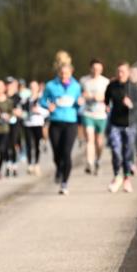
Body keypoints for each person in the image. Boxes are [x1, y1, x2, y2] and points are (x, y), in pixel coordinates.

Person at [41, 51, 83, 195]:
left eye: (67, 73)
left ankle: (64, 183)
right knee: (57, 154)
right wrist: (49, 105)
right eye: (62, 73)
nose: (64, 76)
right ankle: (59, 168)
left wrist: (79, 103)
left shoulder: (76, 86)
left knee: (66, 153)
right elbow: (43, 100)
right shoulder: (51, 85)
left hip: (71, 123)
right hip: (56, 122)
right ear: (58, 72)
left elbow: (80, 104)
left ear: (71, 72)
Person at [104, 62, 137, 193]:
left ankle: (127, 179)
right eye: (118, 72)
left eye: (123, 72)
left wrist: (131, 104)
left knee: (127, 153)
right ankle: (117, 176)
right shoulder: (112, 86)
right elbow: (107, 98)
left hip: (130, 124)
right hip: (115, 123)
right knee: (115, 150)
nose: (120, 74)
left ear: (128, 73)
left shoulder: (133, 87)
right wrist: (107, 105)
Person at [79, 58, 110, 176]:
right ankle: (89, 162)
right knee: (89, 139)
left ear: (101, 69)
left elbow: (109, 97)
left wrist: (101, 98)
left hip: (101, 114)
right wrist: (84, 96)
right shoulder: (84, 80)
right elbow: (80, 94)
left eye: (98, 68)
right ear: (90, 68)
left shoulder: (106, 82)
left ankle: (98, 160)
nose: (96, 71)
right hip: (88, 113)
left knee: (99, 141)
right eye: (94, 68)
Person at [22, 80, 47, 175]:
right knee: (28, 144)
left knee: (37, 145)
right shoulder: (26, 99)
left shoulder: (42, 99)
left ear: (38, 88)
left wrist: (39, 110)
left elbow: (47, 111)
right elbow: (22, 110)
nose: (33, 89)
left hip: (38, 124)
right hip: (28, 124)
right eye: (31, 87)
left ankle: (36, 163)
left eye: (34, 87)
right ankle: (29, 164)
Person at [0, 79, 14, 178]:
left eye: (0, 87)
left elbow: (11, 113)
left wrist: (7, 116)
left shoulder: (9, 101)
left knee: (1, 149)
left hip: (4, 129)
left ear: (4, 88)